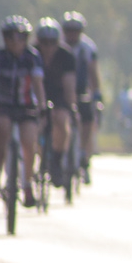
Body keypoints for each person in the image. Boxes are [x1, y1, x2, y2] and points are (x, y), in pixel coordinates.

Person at [0, 16, 45, 206]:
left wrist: (42, 104)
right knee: (1, 133)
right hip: (2, 105)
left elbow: (37, 83)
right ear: (5, 39)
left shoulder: (32, 57)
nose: (15, 42)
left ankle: (27, 184)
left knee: (29, 142)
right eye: (11, 37)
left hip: (25, 106)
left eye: (20, 37)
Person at [33, 18, 78, 188]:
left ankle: (57, 161)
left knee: (62, 121)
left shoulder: (66, 56)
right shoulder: (32, 54)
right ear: (38, 41)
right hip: (36, 94)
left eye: (52, 43)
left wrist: (72, 107)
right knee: (37, 124)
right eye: (44, 42)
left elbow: (69, 85)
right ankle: (40, 155)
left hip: (58, 94)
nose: (48, 47)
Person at [61, 12, 101, 180]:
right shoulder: (58, 44)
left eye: (76, 30)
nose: (72, 34)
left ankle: (84, 152)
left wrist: (97, 94)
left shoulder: (88, 47)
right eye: (69, 30)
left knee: (88, 119)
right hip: (61, 91)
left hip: (81, 90)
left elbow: (93, 72)